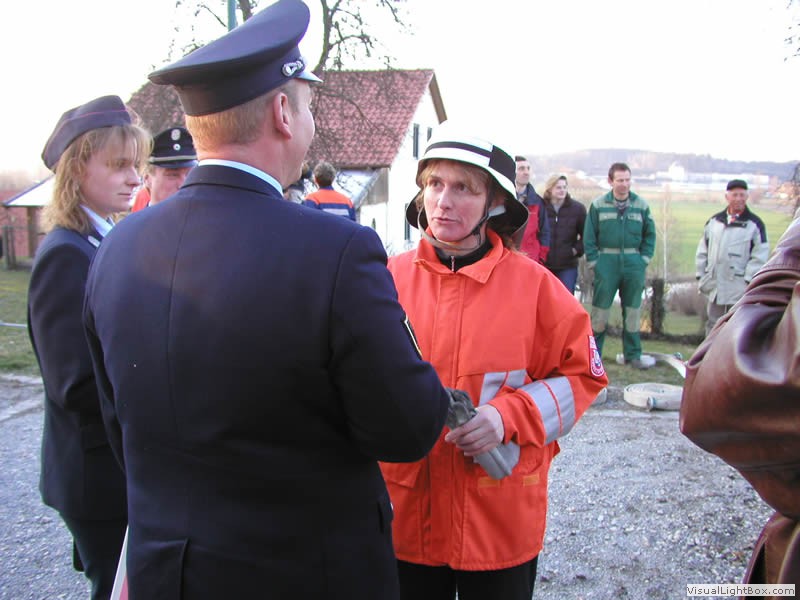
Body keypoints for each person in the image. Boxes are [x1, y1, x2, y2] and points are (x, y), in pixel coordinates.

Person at [81, 1, 449, 598]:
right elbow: (406, 428)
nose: (310, 123)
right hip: (303, 577)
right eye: (307, 106)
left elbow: (121, 425)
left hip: (168, 574)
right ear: (282, 112)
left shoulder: (117, 247)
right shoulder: (336, 251)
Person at [382, 125, 608, 600]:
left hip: (497, 522)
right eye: (435, 184)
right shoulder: (387, 280)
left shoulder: (538, 289)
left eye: (464, 188)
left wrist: (505, 417)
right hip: (406, 518)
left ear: (496, 203)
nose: (443, 201)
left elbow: (584, 376)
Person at [28, 95, 149, 600]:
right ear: (77, 170)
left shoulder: (98, 241)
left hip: (109, 468)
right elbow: (74, 383)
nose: (135, 178)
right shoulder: (66, 255)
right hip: (95, 475)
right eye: (119, 165)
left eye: (136, 165)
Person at [681, 215, 800, 592]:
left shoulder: (756, 225)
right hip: (721, 289)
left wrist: (786, 259)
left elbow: (711, 396)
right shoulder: (714, 222)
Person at [583, 162, 656, 369]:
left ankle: (633, 355)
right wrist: (595, 262)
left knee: (632, 311)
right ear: (610, 181)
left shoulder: (641, 205)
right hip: (606, 263)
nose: (624, 184)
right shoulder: (598, 205)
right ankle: (594, 357)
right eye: (620, 180)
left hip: (633, 264)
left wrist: (643, 260)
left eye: (627, 180)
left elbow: (650, 235)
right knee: (600, 312)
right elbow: (589, 237)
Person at [694, 178, 768, 337]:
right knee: (713, 325)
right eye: (735, 195)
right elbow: (702, 251)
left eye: (742, 195)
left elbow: (760, 255)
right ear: (727, 197)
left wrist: (748, 281)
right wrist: (701, 276)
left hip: (739, 288)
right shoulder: (714, 222)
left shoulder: (754, 225)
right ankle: (710, 353)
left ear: (747, 197)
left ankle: (734, 353)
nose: (738, 199)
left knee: (737, 326)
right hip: (715, 287)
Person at [130, 126, 197, 211]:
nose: (183, 184)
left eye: (190, 174)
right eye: (173, 175)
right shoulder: (137, 220)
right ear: (147, 179)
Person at [542, 174, 586, 294]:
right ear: (550, 189)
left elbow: (586, 235)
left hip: (567, 265)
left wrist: (575, 250)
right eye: (558, 187)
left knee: (566, 298)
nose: (562, 190)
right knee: (545, 298)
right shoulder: (541, 207)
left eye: (564, 187)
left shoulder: (577, 209)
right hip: (544, 264)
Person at [515, 155, 550, 261]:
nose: (526, 172)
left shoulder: (538, 202)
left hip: (532, 260)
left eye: (528, 168)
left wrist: (541, 258)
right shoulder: (502, 199)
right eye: (521, 169)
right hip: (508, 259)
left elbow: (545, 232)